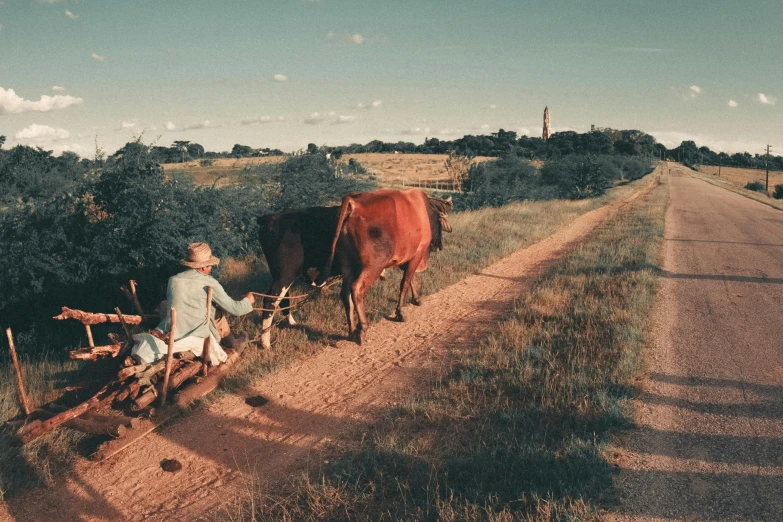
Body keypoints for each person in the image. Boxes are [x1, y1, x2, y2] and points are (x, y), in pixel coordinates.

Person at [130, 242, 255, 365]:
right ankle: (232, 343)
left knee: (165, 304)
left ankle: (231, 341)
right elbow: (236, 309)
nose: (211, 268)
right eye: (210, 265)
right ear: (202, 267)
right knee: (216, 310)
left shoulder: (173, 280)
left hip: (174, 332)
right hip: (198, 334)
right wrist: (248, 301)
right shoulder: (209, 282)